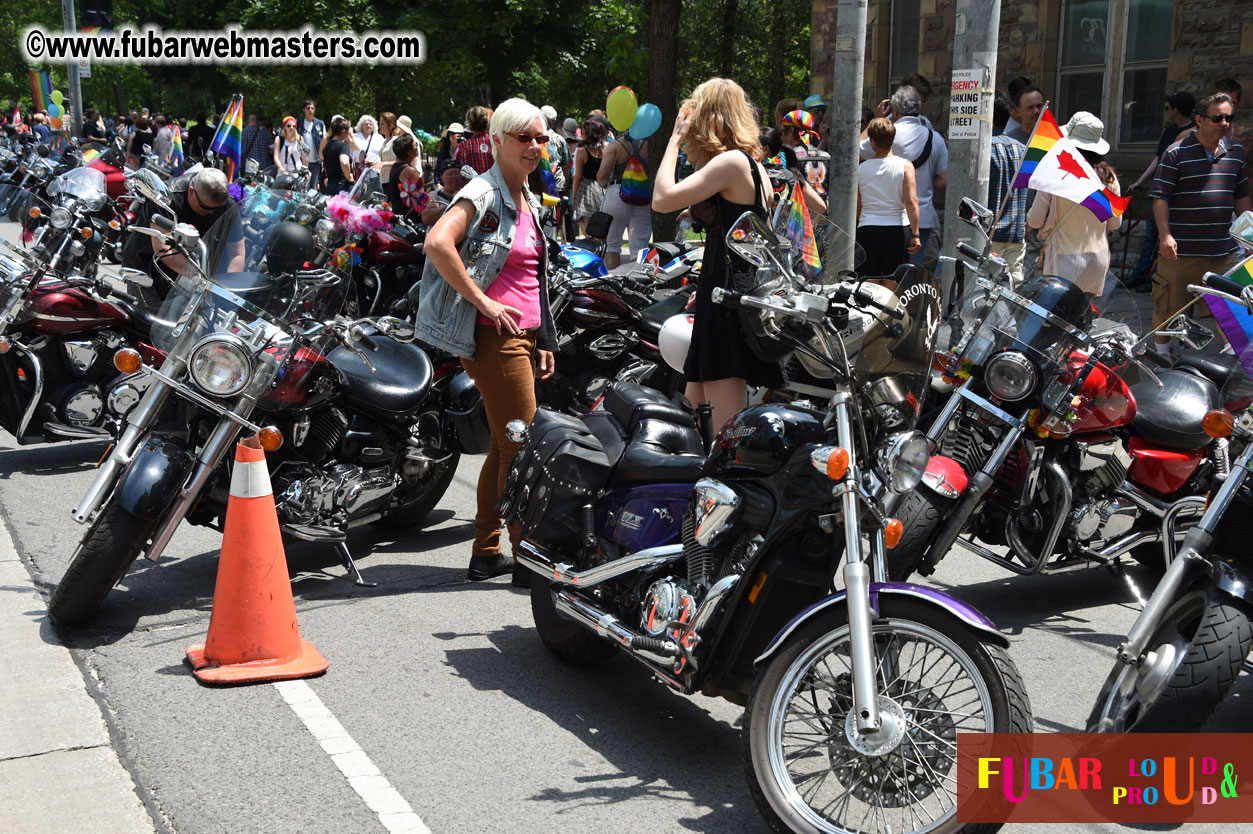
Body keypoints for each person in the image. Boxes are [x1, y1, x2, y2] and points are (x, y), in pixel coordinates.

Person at [415, 98, 557, 584]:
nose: (535, 146)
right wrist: (484, 302)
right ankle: (526, 557)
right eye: (524, 137)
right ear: (496, 141)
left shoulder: (527, 196)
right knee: (522, 446)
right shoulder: (486, 191)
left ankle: (486, 552)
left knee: (503, 446)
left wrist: (544, 338)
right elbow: (438, 242)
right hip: (494, 338)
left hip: (522, 336)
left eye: (541, 138)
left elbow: (532, 276)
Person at [654, 77, 781, 431]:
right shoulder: (744, 164)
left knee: (723, 431)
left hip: (728, 300)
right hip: (720, 292)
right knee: (698, 418)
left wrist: (674, 139)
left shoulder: (734, 164)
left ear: (707, 116)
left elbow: (662, 199)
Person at [1150, 92, 1252, 355]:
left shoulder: (1236, 153)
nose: (1224, 123)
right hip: (1181, 251)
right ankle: (1162, 357)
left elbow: (1241, 197)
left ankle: (1242, 366)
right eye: (1217, 117)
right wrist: (1165, 236)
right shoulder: (1176, 153)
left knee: (1234, 311)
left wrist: (1248, 238)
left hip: (1224, 252)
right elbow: (1160, 198)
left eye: (1228, 118)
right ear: (1199, 119)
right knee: (1168, 307)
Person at [1026, 112, 1121, 300]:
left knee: (1058, 320)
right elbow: (1114, 224)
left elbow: (1035, 220)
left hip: (1064, 260)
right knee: (1083, 319)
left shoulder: (1055, 175)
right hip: (1097, 259)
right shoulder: (1108, 177)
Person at [859, 85, 947, 267]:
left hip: (886, 222)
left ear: (895, 110)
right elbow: (944, 177)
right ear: (919, 108)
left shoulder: (887, 134)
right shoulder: (935, 137)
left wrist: (878, 119)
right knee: (914, 278)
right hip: (922, 218)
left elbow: (857, 147)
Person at [1124, 91, 1197, 292]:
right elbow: (1159, 159)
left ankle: (1156, 278)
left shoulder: (1194, 133)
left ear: (1176, 109)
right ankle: (1140, 276)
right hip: (1159, 191)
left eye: (1168, 108)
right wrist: (1140, 182)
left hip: (1175, 196)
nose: (1167, 112)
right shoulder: (1170, 131)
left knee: (1166, 238)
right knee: (1151, 236)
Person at [121, 168, 239, 289]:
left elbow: (237, 252)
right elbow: (163, 249)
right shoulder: (164, 197)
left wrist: (229, 286)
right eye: (205, 207)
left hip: (195, 279)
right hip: (149, 270)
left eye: (217, 208)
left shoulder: (227, 205)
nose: (211, 212)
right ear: (191, 190)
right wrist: (201, 277)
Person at [856, 118, 920, 278]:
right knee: (894, 284)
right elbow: (911, 202)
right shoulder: (905, 166)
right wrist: (916, 233)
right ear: (892, 139)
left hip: (867, 229)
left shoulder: (861, 169)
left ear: (872, 141)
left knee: (868, 285)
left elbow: (858, 206)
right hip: (897, 230)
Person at [988, 91, 1028, 281]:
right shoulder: (1021, 150)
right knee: (1011, 295)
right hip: (1015, 236)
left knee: (981, 296)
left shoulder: (983, 150)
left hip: (989, 236)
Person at [597, 132, 652, 268]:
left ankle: (613, 283)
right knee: (640, 246)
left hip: (618, 193)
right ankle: (638, 283)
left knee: (611, 244)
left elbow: (602, 176)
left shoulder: (616, 145)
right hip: (643, 195)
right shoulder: (651, 146)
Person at [570, 117, 607, 235]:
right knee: (599, 222)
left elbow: (578, 176)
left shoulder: (582, 151)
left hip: (587, 189)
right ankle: (599, 245)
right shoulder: (606, 149)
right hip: (602, 188)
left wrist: (574, 196)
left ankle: (592, 246)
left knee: (586, 222)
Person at [384, 134, 427, 221]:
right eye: (416, 145)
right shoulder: (409, 171)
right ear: (409, 152)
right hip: (411, 221)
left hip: (398, 217)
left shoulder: (395, 167)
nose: (417, 148)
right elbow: (423, 197)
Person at [421, 159, 467, 226]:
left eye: (457, 173)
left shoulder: (467, 193)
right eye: (450, 174)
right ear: (442, 178)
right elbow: (426, 219)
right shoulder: (434, 194)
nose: (454, 177)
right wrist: (453, 203)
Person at [455, 106, 494, 175]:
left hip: (471, 185)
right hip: (493, 185)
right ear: (487, 122)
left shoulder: (463, 146)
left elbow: (457, 170)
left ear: (469, 124)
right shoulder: (496, 143)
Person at [321, 117, 354, 195]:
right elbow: (344, 162)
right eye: (348, 129)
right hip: (342, 187)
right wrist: (348, 176)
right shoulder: (343, 146)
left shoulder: (327, 146)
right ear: (343, 131)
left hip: (330, 186)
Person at [299, 100, 325, 190]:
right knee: (302, 185)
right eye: (308, 108)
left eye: (312, 108)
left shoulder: (320, 124)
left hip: (315, 160)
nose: (310, 110)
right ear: (304, 110)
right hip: (302, 161)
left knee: (313, 186)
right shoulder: (299, 123)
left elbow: (323, 142)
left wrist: (322, 159)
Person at [1215, 78, 1250, 146]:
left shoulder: (1247, 136)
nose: (1225, 108)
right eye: (1220, 102)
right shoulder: (1194, 135)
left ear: (1238, 104)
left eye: (1231, 104)